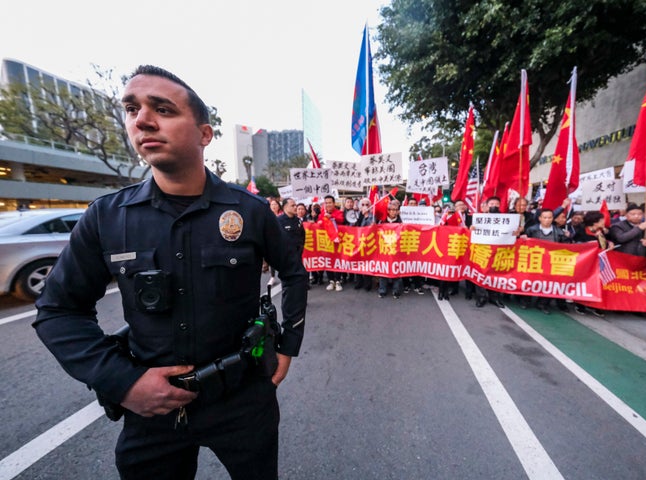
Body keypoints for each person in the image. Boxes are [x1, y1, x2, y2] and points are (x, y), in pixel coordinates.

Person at [32, 65, 308, 479]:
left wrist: (288, 346)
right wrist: (123, 382)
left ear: (203, 134)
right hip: (151, 411)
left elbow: (294, 273)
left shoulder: (249, 212)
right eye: (131, 109)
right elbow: (57, 311)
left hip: (243, 398)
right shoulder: (106, 218)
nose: (141, 119)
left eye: (162, 108)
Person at [521, 208, 571, 313]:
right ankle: (526, 301)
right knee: (530, 281)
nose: (547, 220)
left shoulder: (559, 232)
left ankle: (542, 304)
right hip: (535, 261)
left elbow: (566, 247)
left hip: (551, 262)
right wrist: (523, 238)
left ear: (553, 218)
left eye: (549, 217)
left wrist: (568, 238)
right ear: (540, 218)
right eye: (545, 217)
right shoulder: (532, 230)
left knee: (549, 284)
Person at [376, 200, 404, 298]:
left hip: (396, 251)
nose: (393, 212)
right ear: (388, 211)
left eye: (395, 210)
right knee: (383, 271)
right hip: (384, 250)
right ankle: (382, 290)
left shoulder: (401, 223)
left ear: (398, 211)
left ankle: (396, 291)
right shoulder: (381, 221)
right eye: (391, 210)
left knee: (397, 271)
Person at [322, 194, 345, 291]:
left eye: (330, 203)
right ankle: (331, 280)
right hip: (327, 242)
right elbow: (319, 221)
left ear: (334, 203)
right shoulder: (322, 212)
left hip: (338, 241)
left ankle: (338, 281)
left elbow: (341, 220)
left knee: (337, 260)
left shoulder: (338, 212)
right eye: (326, 203)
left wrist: (331, 217)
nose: (328, 204)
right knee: (328, 260)